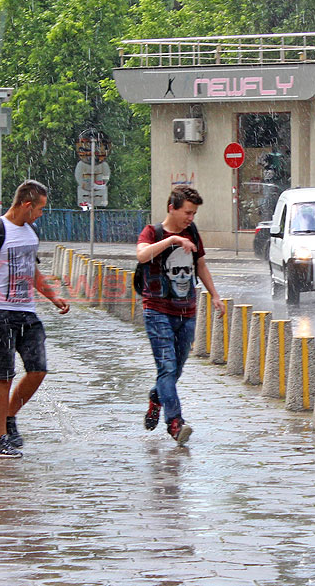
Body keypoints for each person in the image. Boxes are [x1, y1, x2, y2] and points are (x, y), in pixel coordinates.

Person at [0, 179, 69, 459]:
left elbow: (32, 272)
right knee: (4, 375)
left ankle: (9, 417)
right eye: (40, 209)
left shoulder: (31, 234)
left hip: (27, 312)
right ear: (27, 205)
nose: (41, 214)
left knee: (38, 370)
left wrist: (52, 296)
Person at [136, 185, 224, 446]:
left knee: (175, 371)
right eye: (187, 212)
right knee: (167, 367)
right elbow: (141, 255)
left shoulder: (193, 232)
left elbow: (201, 265)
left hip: (187, 311)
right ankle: (175, 423)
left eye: (194, 213)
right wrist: (173, 240)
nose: (190, 218)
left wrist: (215, 295)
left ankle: (157, 398)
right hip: (157, 310)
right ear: (171, 208)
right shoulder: (152, 232)